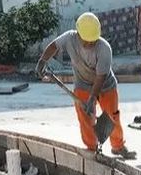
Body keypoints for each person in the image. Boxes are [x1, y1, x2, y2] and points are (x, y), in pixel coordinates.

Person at [37, 12, 135, 158]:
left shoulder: (104, 48)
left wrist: (92, 98)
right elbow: (53, 46)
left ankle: (118, 146)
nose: (89, 44)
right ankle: (92, 148)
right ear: (78, 34)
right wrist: (42, 61)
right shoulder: (69, 38)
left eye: (93, 41)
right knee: (85, 117)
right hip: (82, 84)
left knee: (112, 116)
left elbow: (100, 76)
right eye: (86, 41)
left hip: (106, 85)